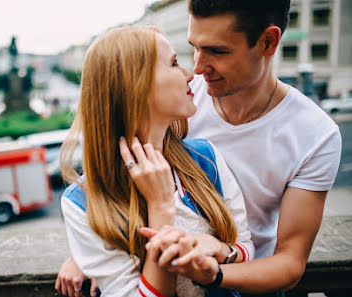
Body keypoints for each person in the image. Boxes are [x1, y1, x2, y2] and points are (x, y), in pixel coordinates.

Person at [56, 0, 342, 295]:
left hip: (247, 281)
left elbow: (289, 263)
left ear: (268, 42)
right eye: (193, 47)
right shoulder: (183, 99)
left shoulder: (315, 134)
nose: (197, 68)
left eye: (218, 51)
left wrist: (214, 270)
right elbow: (114, 183)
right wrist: (92, 249)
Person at [56, 26, 254, 297]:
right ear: (135, 84)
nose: (190, 74)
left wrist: (219, 249)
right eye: (174, 63)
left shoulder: (206, 158)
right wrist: (160, 207)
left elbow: (245, 247)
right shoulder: (82, 202)